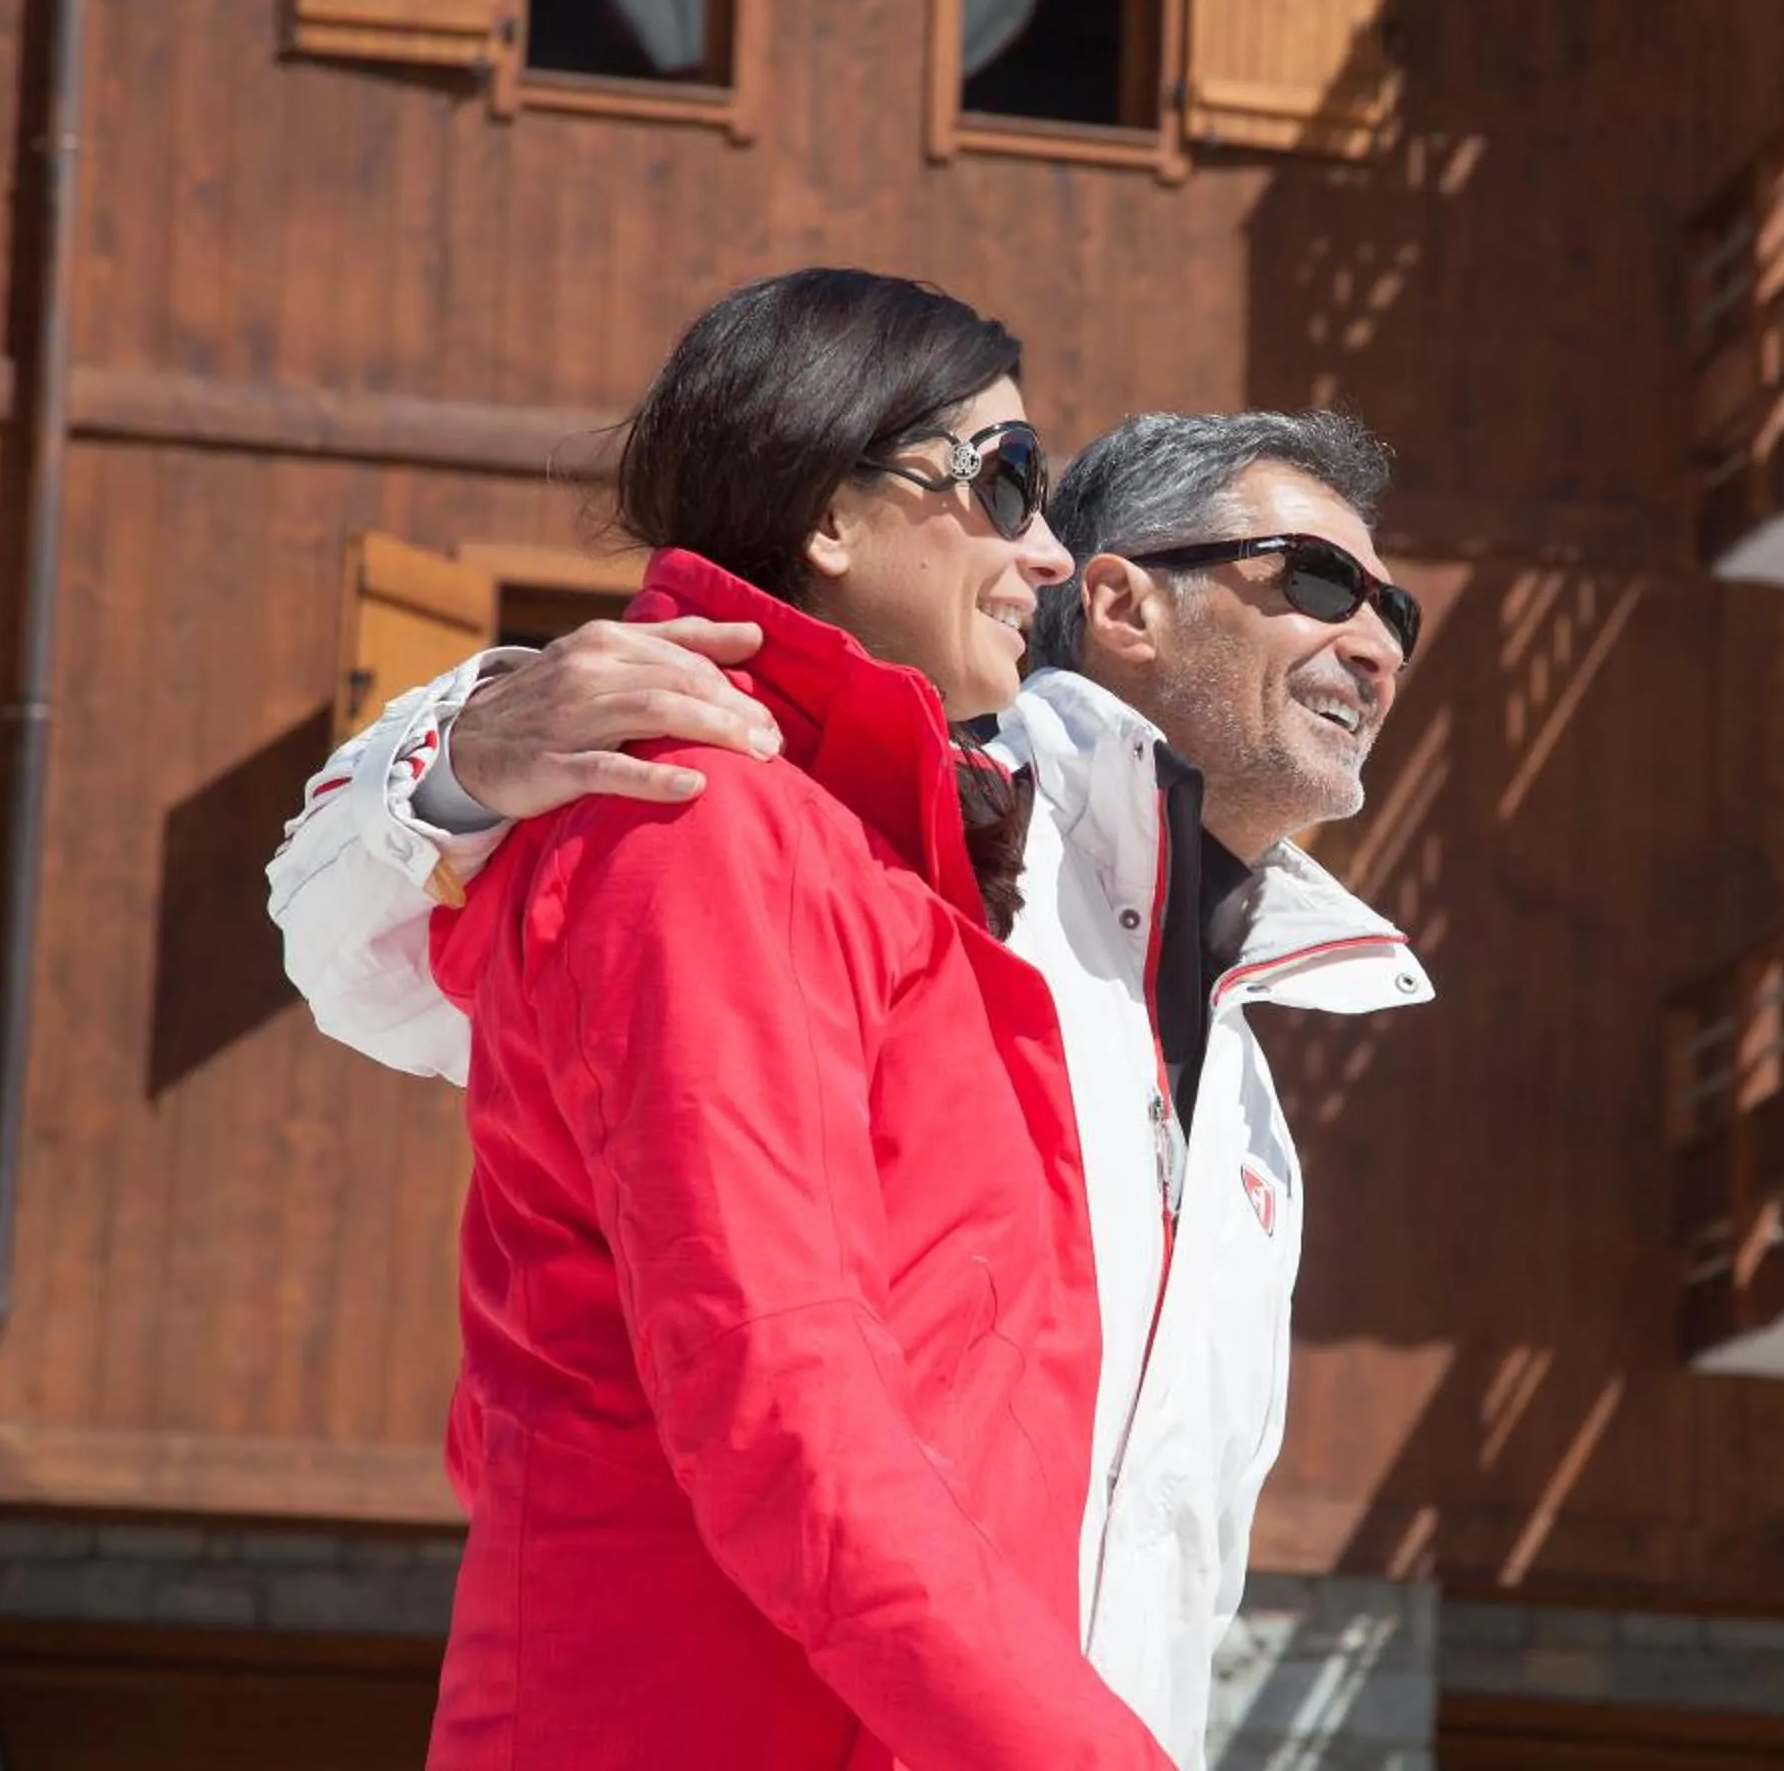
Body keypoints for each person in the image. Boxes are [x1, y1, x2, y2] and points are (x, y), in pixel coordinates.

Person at [270, 405, 1433, 1766]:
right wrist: (463, 754)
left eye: (1398, 613)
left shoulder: (1254, 1120)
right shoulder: (901, 848)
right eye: (1319, 584)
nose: (1374, 641)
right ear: (1120, 603)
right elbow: (379, 978)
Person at [366, 267, 1175, 1769]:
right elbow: (781, 1391)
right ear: (830, 513)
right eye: (1006, 481)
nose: (1050, 552)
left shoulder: (849, 848)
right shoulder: (701, 824)